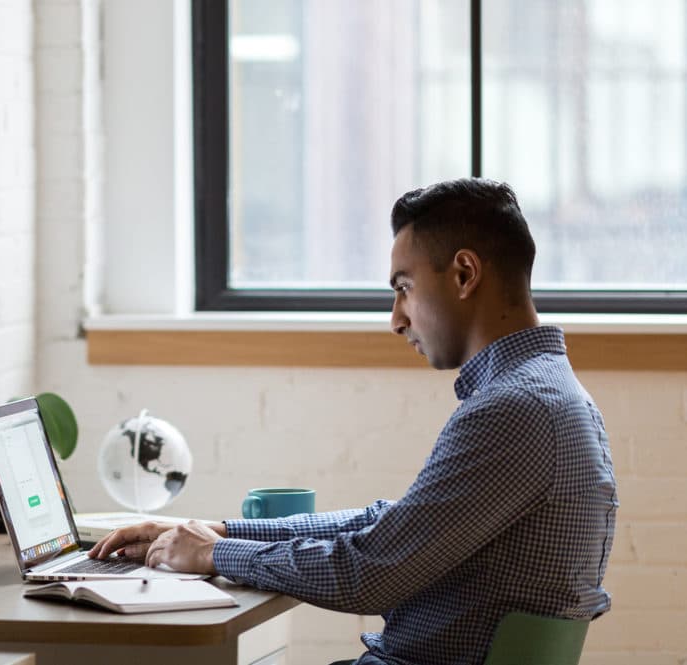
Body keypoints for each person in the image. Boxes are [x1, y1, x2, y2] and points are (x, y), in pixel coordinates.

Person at [88, 178, 618, 665]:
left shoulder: (514, 410)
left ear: (464, 274)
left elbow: (370, 573)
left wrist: (215, 554)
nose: (396, 318)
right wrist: (222, 531)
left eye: (404, 286)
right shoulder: (549, 396)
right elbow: (392, 525)